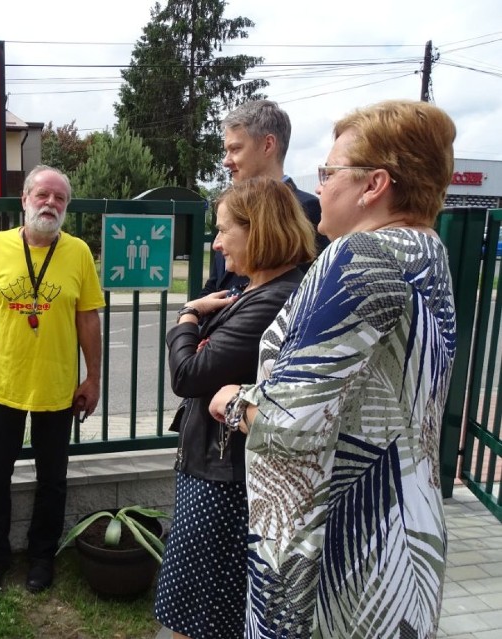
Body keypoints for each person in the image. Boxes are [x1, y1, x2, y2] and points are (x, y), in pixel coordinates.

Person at [210, 100, 457, 638]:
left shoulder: (359, 256)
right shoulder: (429, 256)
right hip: (407, 537)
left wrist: (231, 401)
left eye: (329, 172)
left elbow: (292, 422)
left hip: (338, 561)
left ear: (375, 185)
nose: (319, 186)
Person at [154, 177, 316, 639]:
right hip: (211, 466)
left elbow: (188, 375)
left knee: (200, 611)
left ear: (260, 229)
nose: (217, 243)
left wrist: (187, 315)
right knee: (196, 603)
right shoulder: (255, 289)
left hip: (222, 480)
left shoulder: (274, 297)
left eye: (225, 230)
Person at [0, 164, 104, 595]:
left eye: (60, 198)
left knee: (52, 481)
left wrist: (92, 377)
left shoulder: (78, 252)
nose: (50, 204)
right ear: (24, 200)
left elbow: (88, 319)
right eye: (42, 195)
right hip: (2, 385)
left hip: (58, 388)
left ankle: (42, 557)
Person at [201, 100, 326, 296]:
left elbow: (302, 295)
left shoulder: (306, 209)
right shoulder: (230, 209)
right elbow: (216, 284)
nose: (226, 161)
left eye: (235, 149)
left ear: (268, 145)